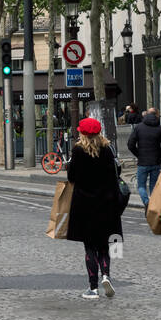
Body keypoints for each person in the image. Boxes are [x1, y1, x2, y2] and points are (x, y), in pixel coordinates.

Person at [67, 117, 122, 300]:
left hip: (85, 205)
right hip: (107, 204)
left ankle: (93, 288)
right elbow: (116, 173)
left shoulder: (77, 150)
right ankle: (106, 275)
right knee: (105, 246)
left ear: (82, 133)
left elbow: (72, 176)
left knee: (89, 246)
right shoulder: (107, 149)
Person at [127, 107, 161, 209]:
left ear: (146, 115)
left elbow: (130, 144)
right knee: (154, 186)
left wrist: (138, 154)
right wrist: (159, 155)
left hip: (142, 162)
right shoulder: (160, 129)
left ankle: (146, 202)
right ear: (156, 115)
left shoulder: (139, 128)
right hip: (155, 162)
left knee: (141, 186)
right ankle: (153, 205)